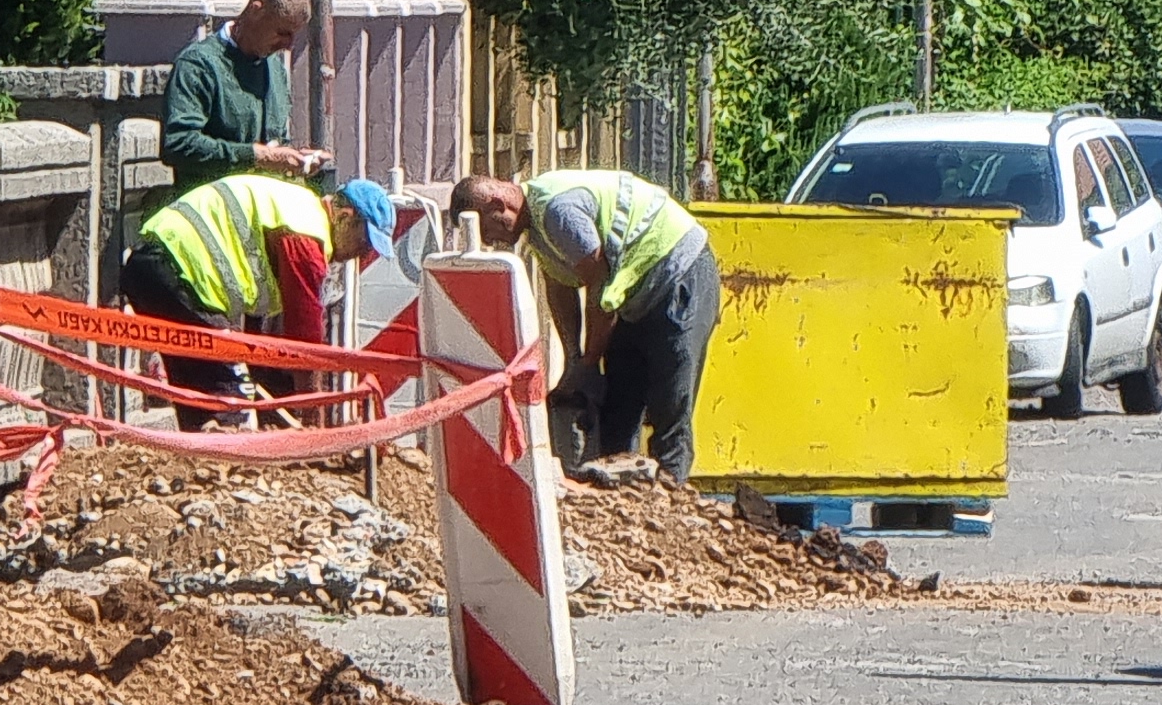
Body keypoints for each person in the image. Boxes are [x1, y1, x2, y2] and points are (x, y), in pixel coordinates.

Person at [446, 167, 718, 481]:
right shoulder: (534, 229)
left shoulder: (557, 212)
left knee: (670, 397)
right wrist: (574, 359)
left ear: (497, 205)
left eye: (488, 231)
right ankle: (619, 492)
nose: (492, 242)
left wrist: (588, 364)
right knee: (620, 397)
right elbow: (560, 287)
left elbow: (599, 288)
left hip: (681, 273)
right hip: (636, 291)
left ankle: (672, 491)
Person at [120, 168, 396, 427]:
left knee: (199, 390)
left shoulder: (299, 208)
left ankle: (202, 465)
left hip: (156, 267)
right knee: (226, 397)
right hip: (177, 269)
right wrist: (315, 422)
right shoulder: (306, 235)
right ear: (345, 217)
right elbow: (306, 341)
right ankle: (217, 467)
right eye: (364, 242)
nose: (363, 255)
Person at [159, 0, 323, 197]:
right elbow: (178, 144)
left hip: (261, 213)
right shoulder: (199, 65)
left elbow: (274, 141)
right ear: (256, 10)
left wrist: (294, 159)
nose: (288, 45)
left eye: (294, 35)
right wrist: (255, 156)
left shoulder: (273, 67)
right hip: (210, 214)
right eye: (282, 32)